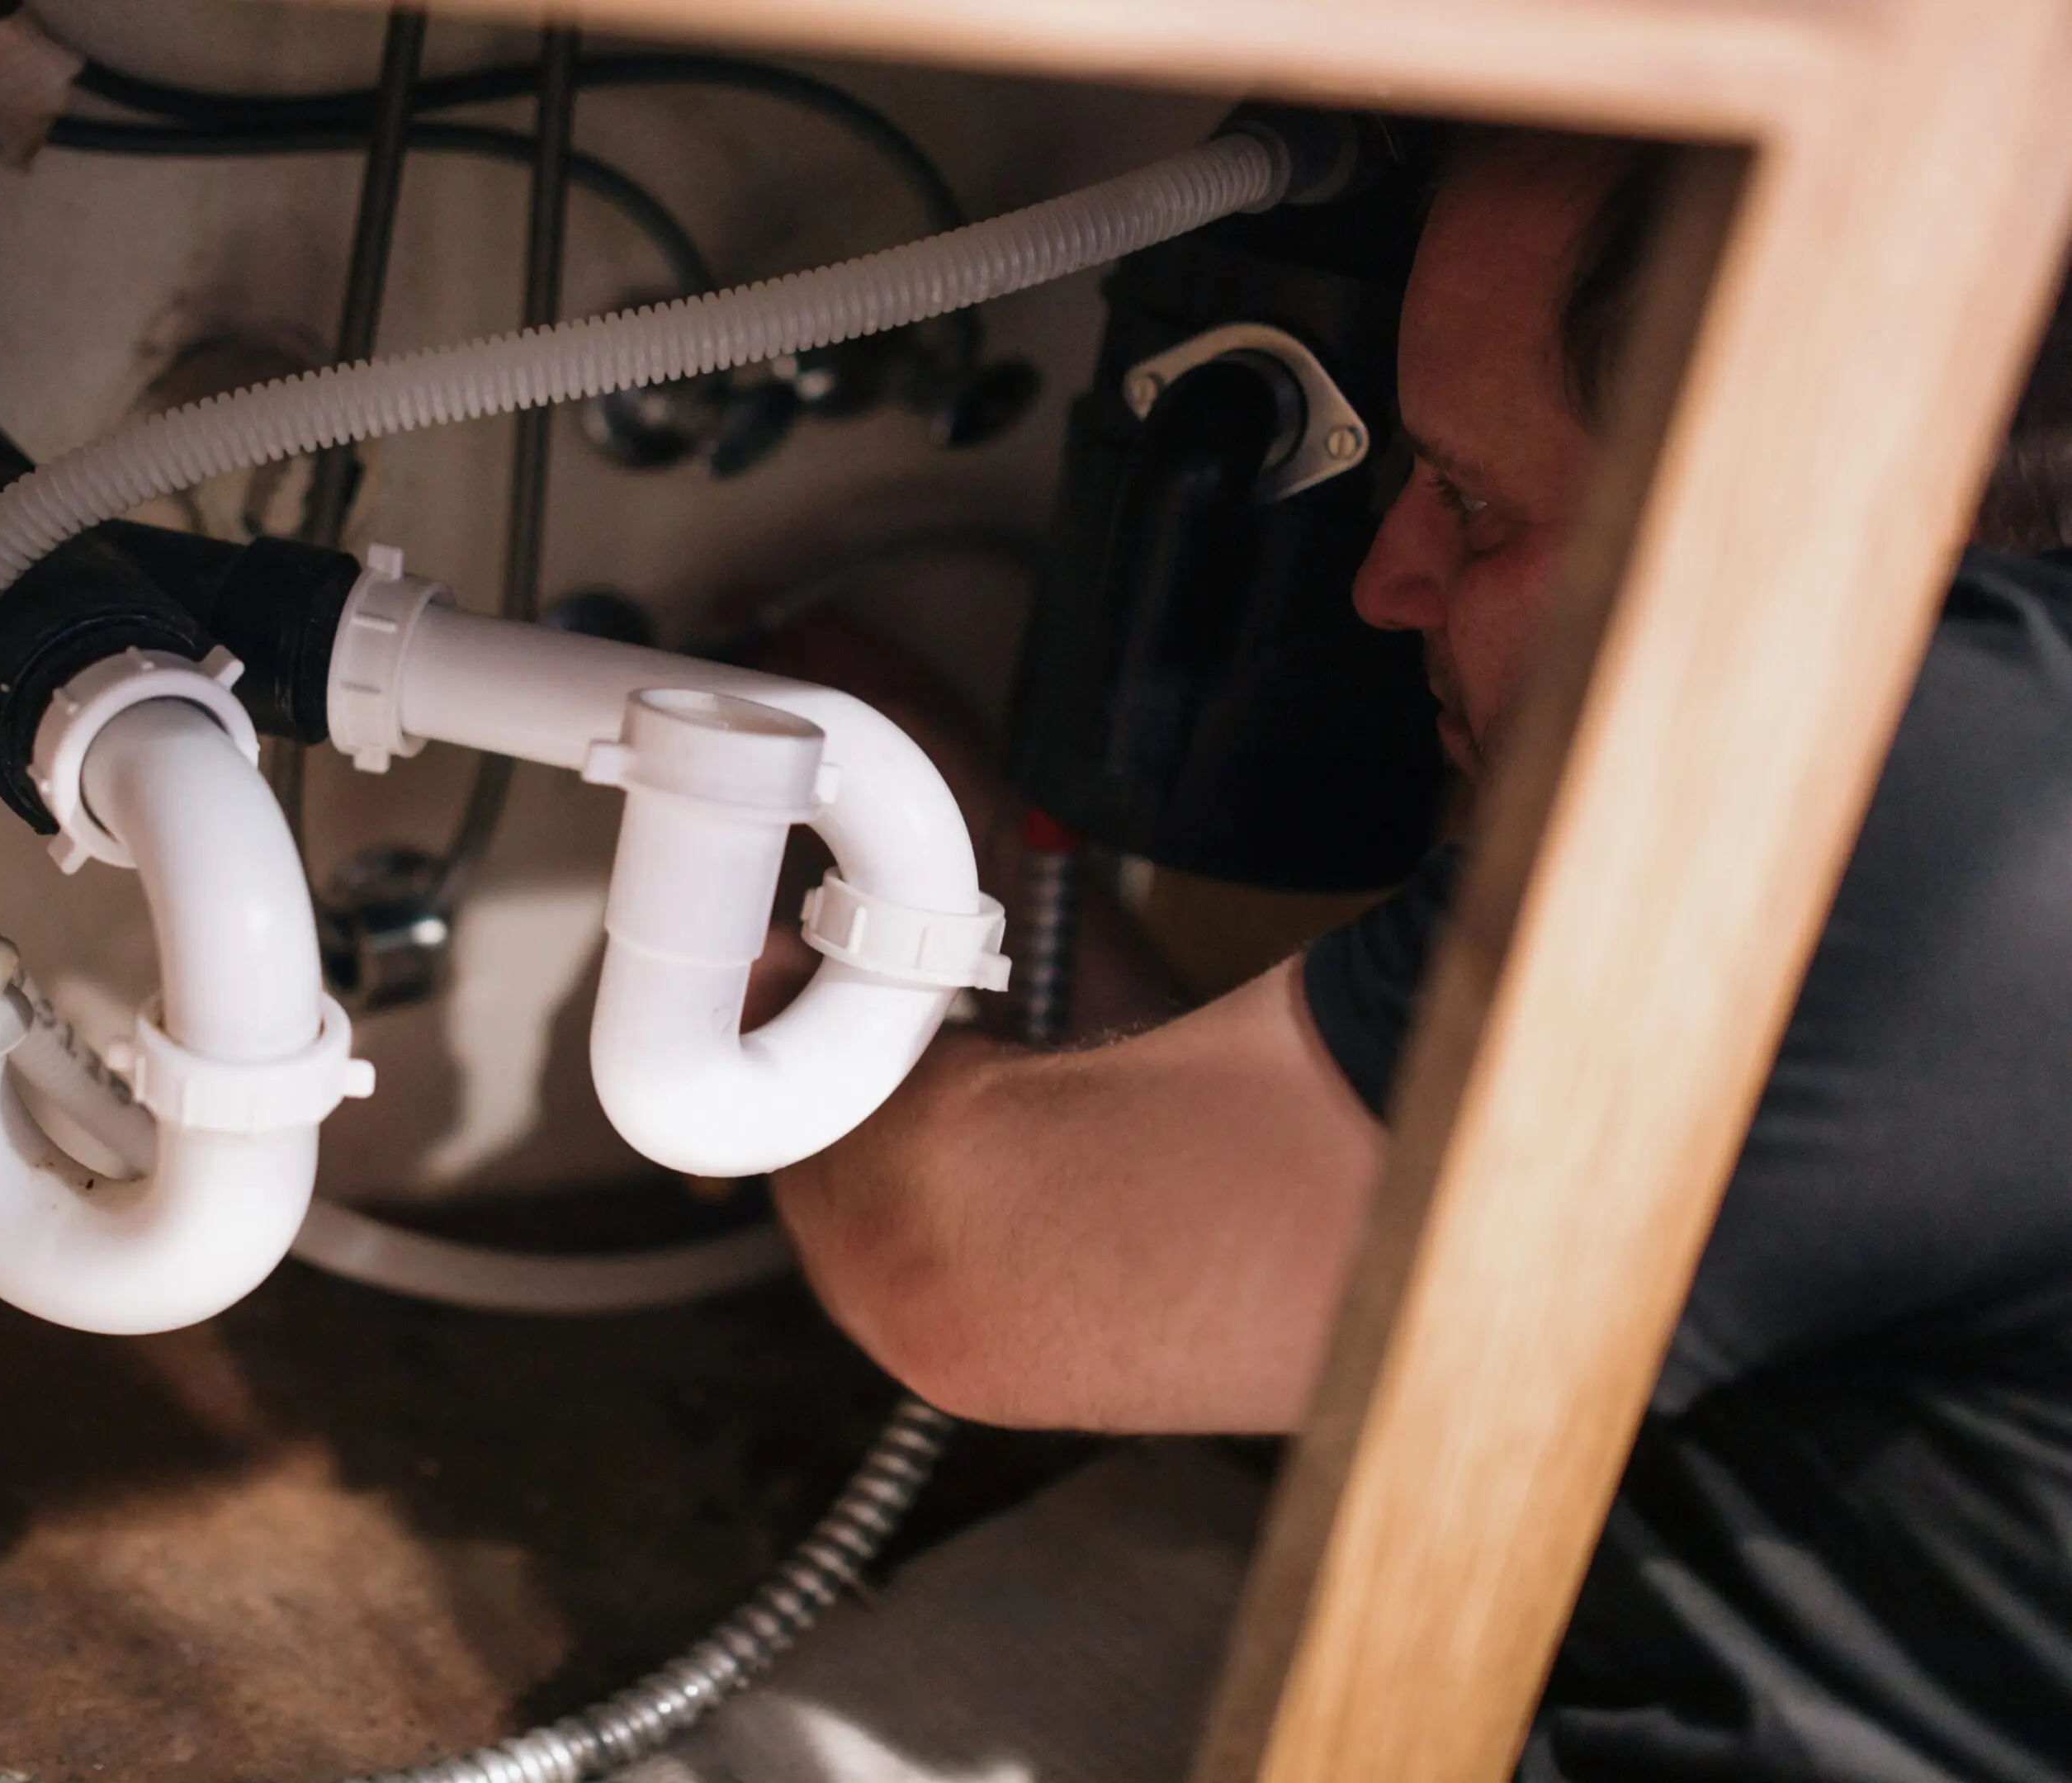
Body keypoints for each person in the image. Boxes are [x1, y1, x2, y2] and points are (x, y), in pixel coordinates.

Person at [764, 130, 2072, 1780]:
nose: (1387, 581)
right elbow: (1298, 1220)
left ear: (1817, 506)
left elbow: (961, 1276)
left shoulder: (1910, 800)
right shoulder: (2009, 760)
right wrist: (957, 842)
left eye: (1473, 501)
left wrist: (763, 995)